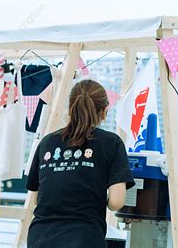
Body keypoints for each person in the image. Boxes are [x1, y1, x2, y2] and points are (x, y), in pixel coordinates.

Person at [26, 80, 135, 248]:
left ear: (70, 108)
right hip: (85, 237)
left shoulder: (47, 142)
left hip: (40, 238)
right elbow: (116, 201)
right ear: (105, 111)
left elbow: (36, 198)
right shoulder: (111, 143)